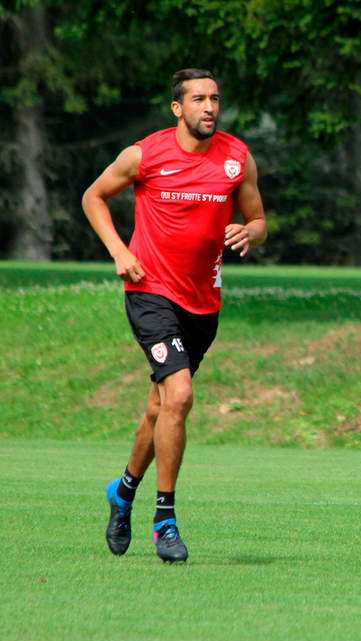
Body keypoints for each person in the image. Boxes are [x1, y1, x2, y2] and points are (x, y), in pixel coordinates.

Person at [83, 68, 267, 563]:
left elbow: (258, 218)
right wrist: (119, 252)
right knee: (180, 394)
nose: (209, 107)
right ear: (177, 109)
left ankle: (122, 494)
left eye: (215, 98)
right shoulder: (145, 154)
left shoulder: (237, 158)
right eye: (199, 99)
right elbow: (93, 197)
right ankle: (164, 519)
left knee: (158, 407)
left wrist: (252, 232)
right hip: (150, 291)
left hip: (203, 302)